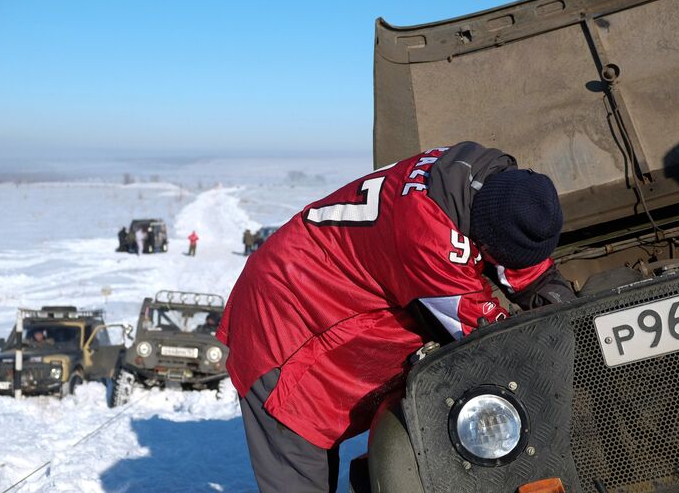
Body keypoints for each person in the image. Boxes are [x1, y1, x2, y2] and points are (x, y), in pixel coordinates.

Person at [216, 142, 575, 492]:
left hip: (327, 289)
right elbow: (484, 341)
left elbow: (523, 259)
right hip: (284, 323)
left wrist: (569, 313)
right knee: (299, 450)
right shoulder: (429, 234)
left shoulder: (480, 176)